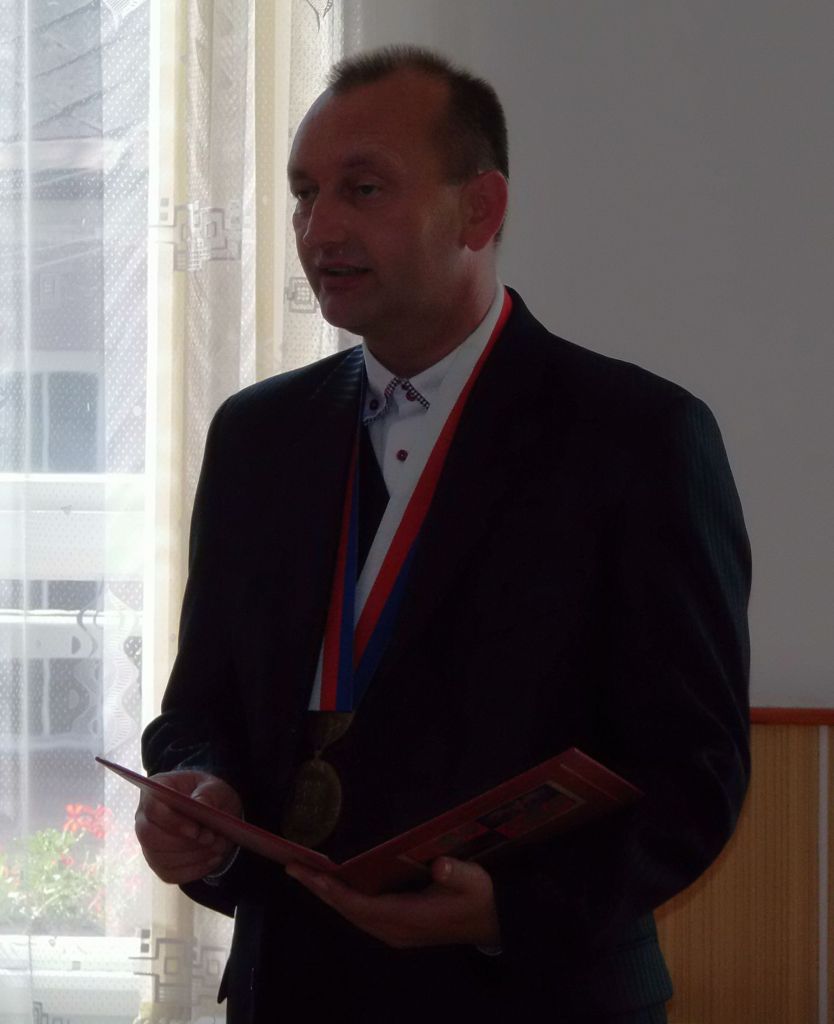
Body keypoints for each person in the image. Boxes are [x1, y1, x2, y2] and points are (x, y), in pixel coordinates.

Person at [135, 46, 751, 1024]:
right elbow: (200, 704)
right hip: (290, 987)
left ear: (480, 209)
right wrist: (199, 792)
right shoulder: (257, 436)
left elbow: (694, 768)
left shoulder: (637, 439)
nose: (319, 228)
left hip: (533, 997)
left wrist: (509, 909)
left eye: (363, 188)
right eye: (303, 194)